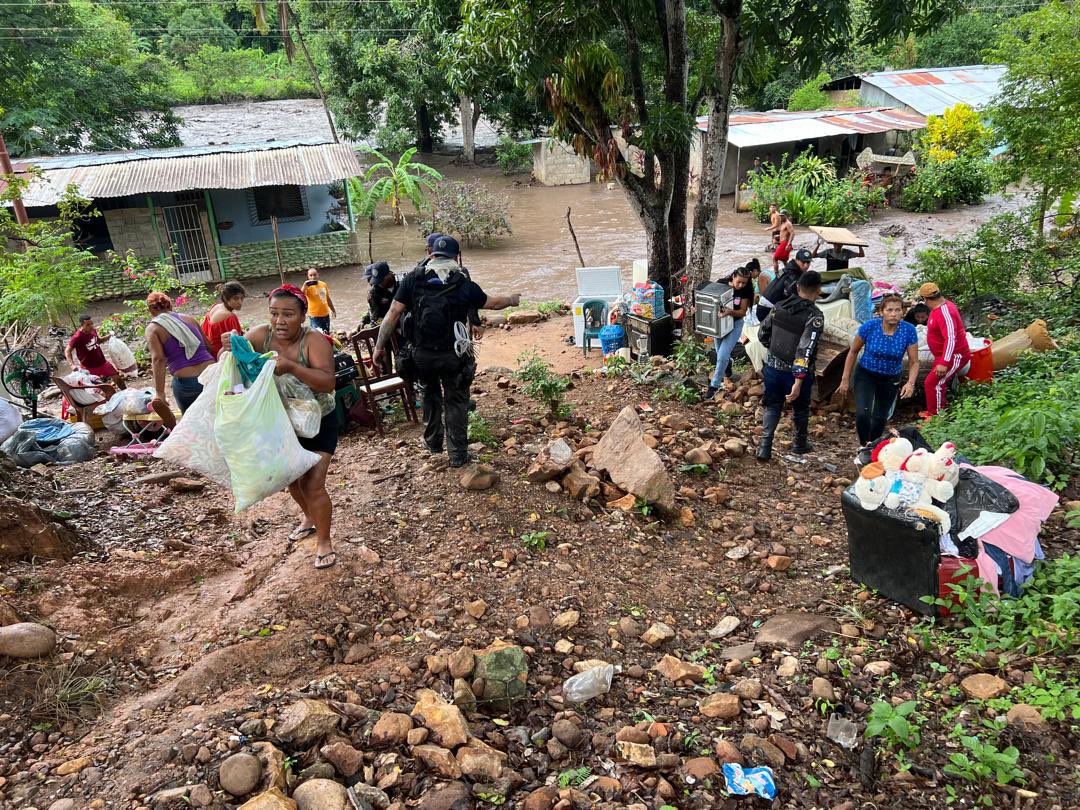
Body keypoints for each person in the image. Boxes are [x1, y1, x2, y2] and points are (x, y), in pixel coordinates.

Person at [372, 235, 520, 467]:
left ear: (431, 254)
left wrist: (379, 347)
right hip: (454, 355)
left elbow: (392, 314)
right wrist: (512, 299)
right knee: (456, 401)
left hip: (421, 355)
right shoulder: (462, 282)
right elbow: (491, 303)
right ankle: (458, 455)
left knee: (429, 394)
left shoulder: (413, 279)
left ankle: (433, 443)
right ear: (456, 256)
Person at [245, 285, 338, 569]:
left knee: (313, 483)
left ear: (302, 315)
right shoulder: (261, 335)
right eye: (274, 313)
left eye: (288, 314)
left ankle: (325, 542)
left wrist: (292, 367)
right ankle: (309, 517)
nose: (280, 321)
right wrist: (228, 345)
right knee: (293, 481)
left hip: (319, 420)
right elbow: (233, 357)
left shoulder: (315, 341)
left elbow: (328, 382)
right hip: (283, 423)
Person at [756, 270, 825, 461]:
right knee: (801, 408)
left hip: (772, 368)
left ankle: (764, 446)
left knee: (772, 406)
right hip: (797, 374)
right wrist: (798, 379)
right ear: (818, 291)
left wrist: (773, 352)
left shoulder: (779, 307)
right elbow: (806, 350)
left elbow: (762, 334)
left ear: (797, 287)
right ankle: (799, 444)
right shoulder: (815, 316)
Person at [837, 294, 920, 445]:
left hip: (890, 378)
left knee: (880, 417)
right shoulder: (870, 327)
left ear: (903, 312)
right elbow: (853, 351)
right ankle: (863, 445)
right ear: (881, 312)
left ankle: (873, 445)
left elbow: (914, 362)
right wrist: (845, 378)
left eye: (897, 310)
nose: (894, 314)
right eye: (889, 310)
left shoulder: (908, 331)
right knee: (863, 413)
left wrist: (910, 383)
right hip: (866, 374)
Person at [145, 292, 215, 425]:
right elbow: (208, 346)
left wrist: (160, 393)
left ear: (150, 309)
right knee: (216, 415)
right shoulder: (189, 319)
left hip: (188, 383)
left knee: (192, 422)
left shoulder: (153, 328)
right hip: (212, 374)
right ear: (170, 304)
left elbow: (158, 359)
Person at [919, 282, 970, 417]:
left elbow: (951, 338)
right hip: (941, 355)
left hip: (954, 355)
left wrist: (944, 362)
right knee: (933, 383)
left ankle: (936, 416)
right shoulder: (938, 309)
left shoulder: (945, 311)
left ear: (926, 299)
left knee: (934, 383)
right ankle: (934, 410)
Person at [705, 267, 754, 399]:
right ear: (732, 277)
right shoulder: (721, 283)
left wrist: (730, 311)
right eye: (739, 282)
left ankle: (714, 386)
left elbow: (743, 312)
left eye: (744, 283)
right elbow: (709, 299)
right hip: (720, 323)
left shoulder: (746, 291)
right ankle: (729, 364)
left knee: (721, 356)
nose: (741, 285)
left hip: (735, 324)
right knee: (719, 351)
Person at [757, 248, 812, 322]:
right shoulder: (793, 276)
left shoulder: (788, 268)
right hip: (766, 310)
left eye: (808, 262)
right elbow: (792, 298)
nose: (806, 265)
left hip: (764, 305)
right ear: (796, 260)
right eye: (803, 262)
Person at [66, 315, 120, 383]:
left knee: (117, 377)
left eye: (92, 323)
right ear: (82, 325)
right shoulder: (77, 337)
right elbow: (67, 351)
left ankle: (125, 392)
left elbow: (98, 341)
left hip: (102, 362)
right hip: (88, 367)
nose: (91, 326)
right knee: (97, 387)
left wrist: (109, 336)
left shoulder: (93, 331)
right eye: (88, 325)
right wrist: (72, 365)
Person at [201, 281, 246, 358]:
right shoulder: (229, 317)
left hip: (207, 352)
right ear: (226, 298)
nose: (240, 302)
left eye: (242, 298)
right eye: (236, 298)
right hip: (219, 355)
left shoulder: (216, 306)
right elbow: (238, 344)